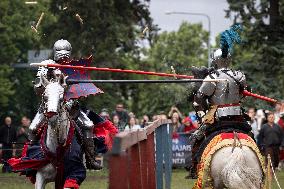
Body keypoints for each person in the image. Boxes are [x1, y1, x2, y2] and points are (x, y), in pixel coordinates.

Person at [188, 24, 252, 178]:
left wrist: (204, 116)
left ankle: (196, 170)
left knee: (198, 141)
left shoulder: (212, 78)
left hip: (218, 119)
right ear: (229, 59)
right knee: (252, 138)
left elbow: (199, 99)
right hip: (238, 118)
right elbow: (244, 94)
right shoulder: (239, 75)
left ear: (214, 61)